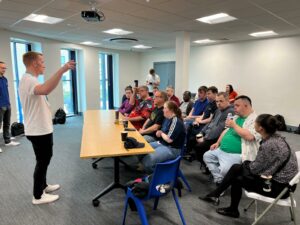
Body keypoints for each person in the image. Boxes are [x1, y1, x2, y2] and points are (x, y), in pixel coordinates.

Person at [200, 114, 299, 218]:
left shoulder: (268, 144)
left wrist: (246, 163)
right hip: (285, 184)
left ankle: (227, 205)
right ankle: (217, 195)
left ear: (260, 128)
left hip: (278, 188)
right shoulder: (277, 137)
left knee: (236, 176)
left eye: (255, 122)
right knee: (236, 168)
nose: (253, 124)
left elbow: (254, 169)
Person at [19, 52, 75, 204]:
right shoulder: (29, 80)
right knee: (43, 161)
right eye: (42, 62)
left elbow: (43, 90)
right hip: (38, 130)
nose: (44, 65)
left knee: (43, 159)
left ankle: (43, 186)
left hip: (40, 128)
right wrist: (62, 70)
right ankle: (38, 196)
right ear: (34, 63)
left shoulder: (31, 80)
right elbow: (45, 89)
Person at [203, 95, 261, 184]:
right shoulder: (237, 117)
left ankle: (221, 178)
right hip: (221, 149)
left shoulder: (256, 120)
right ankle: (220, 180)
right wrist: (218, 143)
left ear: (246, 106)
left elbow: (250, 137)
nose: (234, 108)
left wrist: (234, 125)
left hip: (236, 153)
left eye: (237, 105)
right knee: (207, 156)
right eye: (234, 105)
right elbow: (226, 130)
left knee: (225, 170)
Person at [189, 92, 234, 167]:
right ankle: (206, 164)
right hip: (208, 135)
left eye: (221, 101)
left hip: (216, 138)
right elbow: (210, 123)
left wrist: (205, 138)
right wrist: (201, 133)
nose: (218, 103)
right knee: (192, 139)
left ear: (227, 100)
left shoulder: (231, 113)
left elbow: (222, 130)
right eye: (217, 101)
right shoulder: (217, 110)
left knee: (199, 147)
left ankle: (208, 166)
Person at [141, 101, 186, 173]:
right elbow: (164, 133)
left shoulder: (176, 121)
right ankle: (150, 173)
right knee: (142, 150)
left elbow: (169, 139)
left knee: (147, 161)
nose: (163, 110)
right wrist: (160, 133)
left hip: (172, 149)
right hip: (163, 143)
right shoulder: (167, 119)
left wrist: (161, 133)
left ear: (171, 110)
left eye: (165, 108)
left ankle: (160, 177)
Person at [0, 61, 20, 153]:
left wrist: (9, 103)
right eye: (2, 68)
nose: (4, 69)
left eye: (5, 68)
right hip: (0, 106)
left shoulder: (5, 79)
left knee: (7, 124)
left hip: (7, 104)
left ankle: (7, 141)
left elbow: (6, 92)